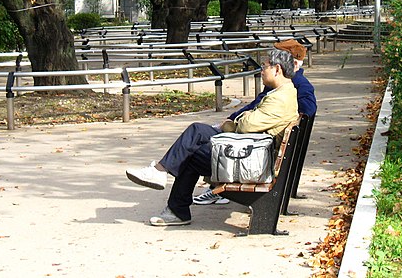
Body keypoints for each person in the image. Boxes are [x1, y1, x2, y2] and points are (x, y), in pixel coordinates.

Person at [125, 47, 299, 226]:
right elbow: (250, 123)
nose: (261, 70)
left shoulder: (281, 98)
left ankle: (166, 186)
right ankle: (172, 200)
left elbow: (247, 125)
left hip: (250, 162)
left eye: (265, 66)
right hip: (249, 154)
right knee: (194, 142)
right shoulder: (284, 93)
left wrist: (232, 123)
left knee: (196, 134)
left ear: (277, 69)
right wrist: (243, 119)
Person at [193, 38, 317, 206]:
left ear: (292, 63)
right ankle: (207, 189)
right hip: (255, 134)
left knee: (195, 143)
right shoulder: (280, 84)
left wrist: (285, 115)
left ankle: (210, 189)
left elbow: (308, 111)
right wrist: (235, 116)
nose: (270, 63)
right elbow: (255, 104)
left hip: (258, 144)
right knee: (197, 137)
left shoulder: (296, 85)